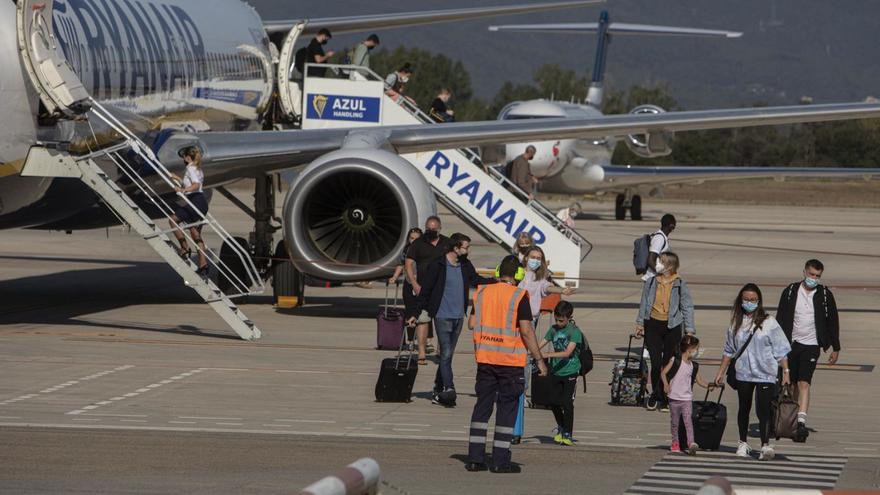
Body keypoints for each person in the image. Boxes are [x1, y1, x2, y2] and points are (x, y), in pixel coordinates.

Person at [466, 255, 547, 474]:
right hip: (510, 362)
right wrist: (539, 359)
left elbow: (472, 324)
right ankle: (500, 461)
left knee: (482, 408)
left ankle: (475, 458)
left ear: (498, 272)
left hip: (485, 360)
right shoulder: (519, 295)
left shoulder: (482, 292)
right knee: (507, 410)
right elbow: (527, 331)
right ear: (519, 275)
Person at [408, 233, 495, 407]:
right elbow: (426, 291)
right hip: (442, 316)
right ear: (456, 248)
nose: (468, 250)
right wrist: (415, 314)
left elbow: (476, 280)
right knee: (446, 354)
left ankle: (437, 389)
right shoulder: (438, 265)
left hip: (458, 317)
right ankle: (449, 388)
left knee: (448, 357)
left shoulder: (464, 264)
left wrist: (496, 281)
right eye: (466, 247)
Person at [714, 283, 791, 461]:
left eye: (753, 300)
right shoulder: (735, 323)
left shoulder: (769, 322)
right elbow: (728, 350)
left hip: (765, 372)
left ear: (759, 301)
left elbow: (781, 349)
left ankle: (765, 445)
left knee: (763, 410)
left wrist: (786, 371)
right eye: (747, 299)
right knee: (744, 407)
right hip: (744, 372)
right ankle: (743, 442)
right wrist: (720, 371)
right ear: (740, 301)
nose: (750, 302)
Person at [511, 245, 575, 444]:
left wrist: (561, 289)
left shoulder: (540, 281)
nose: (535, 260)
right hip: (512, 324)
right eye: (533, 257)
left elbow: (548, 288)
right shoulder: (518, 276)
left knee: (522, 375)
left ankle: (516, 428)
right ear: (526, 258)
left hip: (529, 322)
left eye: (539, 258)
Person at [775, 259, 841, 441]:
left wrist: (836, 347)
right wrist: (776, 345)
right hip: (791, 344)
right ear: (804, 272)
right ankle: (791, 417)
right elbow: (780, 319)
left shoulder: (825, 295)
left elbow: (833, 322)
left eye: (817, 276)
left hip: (812, 345)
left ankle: (801, 422)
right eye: (811, 274)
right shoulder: (790, 291)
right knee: (792, 384)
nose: (814, 278)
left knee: (804, 383)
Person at [635, 251, 695, 411]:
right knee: (655, 363)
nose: (657, 264)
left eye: (661, 261)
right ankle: (656, 395)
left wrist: (689, 330)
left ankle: (667, 395)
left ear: (670, 266)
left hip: (672, 326)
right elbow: (643, 302)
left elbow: (687, 306)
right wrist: (640, 323)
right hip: (653, 324)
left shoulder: (680, 283)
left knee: (668, 363)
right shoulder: (651, 281)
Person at [540, 300, 584, 446]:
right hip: (556, 371)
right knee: (552, 401)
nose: (558, 323)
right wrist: (531, 351)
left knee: (567, 403)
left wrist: (547, 355)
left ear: (568, 317)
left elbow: (567, 353)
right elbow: (541, 343)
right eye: (556, 319)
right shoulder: (553, 330)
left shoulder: (574, 332)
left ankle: (567, 433)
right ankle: (561, 425)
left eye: (561, 320)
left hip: (570, 371)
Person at [661, 334, 713, 455]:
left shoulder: (693, 366)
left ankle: (691, 443)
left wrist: (710, 386)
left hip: (686, 398)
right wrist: (665, 384)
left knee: (688, 421)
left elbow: (699, 380)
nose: (697, 352)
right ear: (689, 349)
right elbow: (663, 373)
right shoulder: (675, 360)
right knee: (675, 422)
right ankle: (675, 443)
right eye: (696, 349)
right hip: (674, 397)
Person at [405, 216, 447, 364]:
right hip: (423, 289)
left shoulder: (447, 243)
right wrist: (414, 283)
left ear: (440, 228)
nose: (430, 231)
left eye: (433, 229)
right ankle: (421, 353)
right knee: (422, 320)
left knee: (442, 321)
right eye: (428, 229)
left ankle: (442, 351)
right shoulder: (418, 243)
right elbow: (408, 263)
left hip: (442, 289)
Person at [168, 147, 209, 276]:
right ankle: (203, 264)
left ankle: (184, 247)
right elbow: (192, 184)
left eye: (183, 157)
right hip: (201, 201)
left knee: (173, 220)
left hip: (195, 201)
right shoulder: (197, 168)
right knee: (195, 234)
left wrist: (182, 191)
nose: (183, 159)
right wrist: (178, 179)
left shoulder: (190, 168)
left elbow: (195, 185)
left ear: (187, 157)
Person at [643, 214, 677, 281]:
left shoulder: (662, 237)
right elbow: (650, 260)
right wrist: (662, 273)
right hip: (654, 279)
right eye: (674, 225)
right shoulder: (660, 238)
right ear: (671, 226)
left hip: (658, 279)